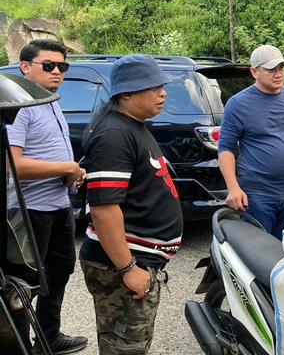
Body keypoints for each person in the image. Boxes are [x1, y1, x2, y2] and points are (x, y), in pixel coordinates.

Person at [79, 54, 184, 354]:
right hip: (122, 265)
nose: (162, 93)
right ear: (125, 92)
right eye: (153, 87)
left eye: (162, 85)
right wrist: (128, 268)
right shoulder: (114, 134)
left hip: (141, 261)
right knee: (123, 347)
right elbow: (103, 209)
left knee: (134, 344)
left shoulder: (133, 125)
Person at [7, 39, 89, 354]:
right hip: (28, 209)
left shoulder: (50, 100)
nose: (57, 72)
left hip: (58, 204)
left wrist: (72, 173)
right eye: (49, 65)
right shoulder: (19, 106)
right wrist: (66, 166)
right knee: (24, 282)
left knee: (60, 269)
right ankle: (19, 346)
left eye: (62, 66)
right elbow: (11, 164)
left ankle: (48, 337)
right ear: (25, 66)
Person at [218, 45, 284, 240]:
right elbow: (225, 148)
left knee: (283, 250)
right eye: (271, 69)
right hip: (257, 196)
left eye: (281, 68)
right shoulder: (238, 104)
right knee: (258, 254)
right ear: (254, 71)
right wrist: (233, 187)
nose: (278, 74)